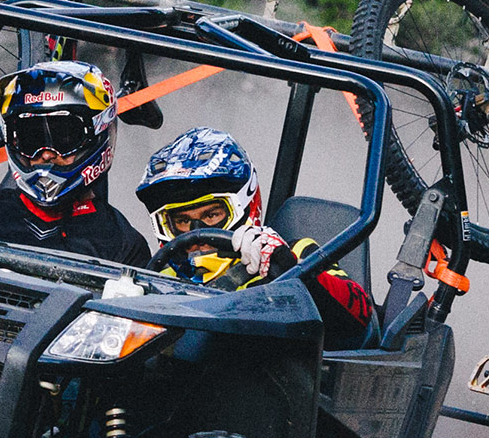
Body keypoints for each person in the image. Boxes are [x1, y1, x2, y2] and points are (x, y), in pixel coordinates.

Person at [137, 126, 375, 346]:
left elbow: (361, 317)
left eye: (211, 215)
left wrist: (292, 271)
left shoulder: (297, 254)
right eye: (183, 221)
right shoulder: (159, 275)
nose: (195, 233)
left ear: (245, 206)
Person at [0, 60, 152, 266]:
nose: (46, 154)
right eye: (32, 138)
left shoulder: (123, 245)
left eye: (64, 137)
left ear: (98, 134)